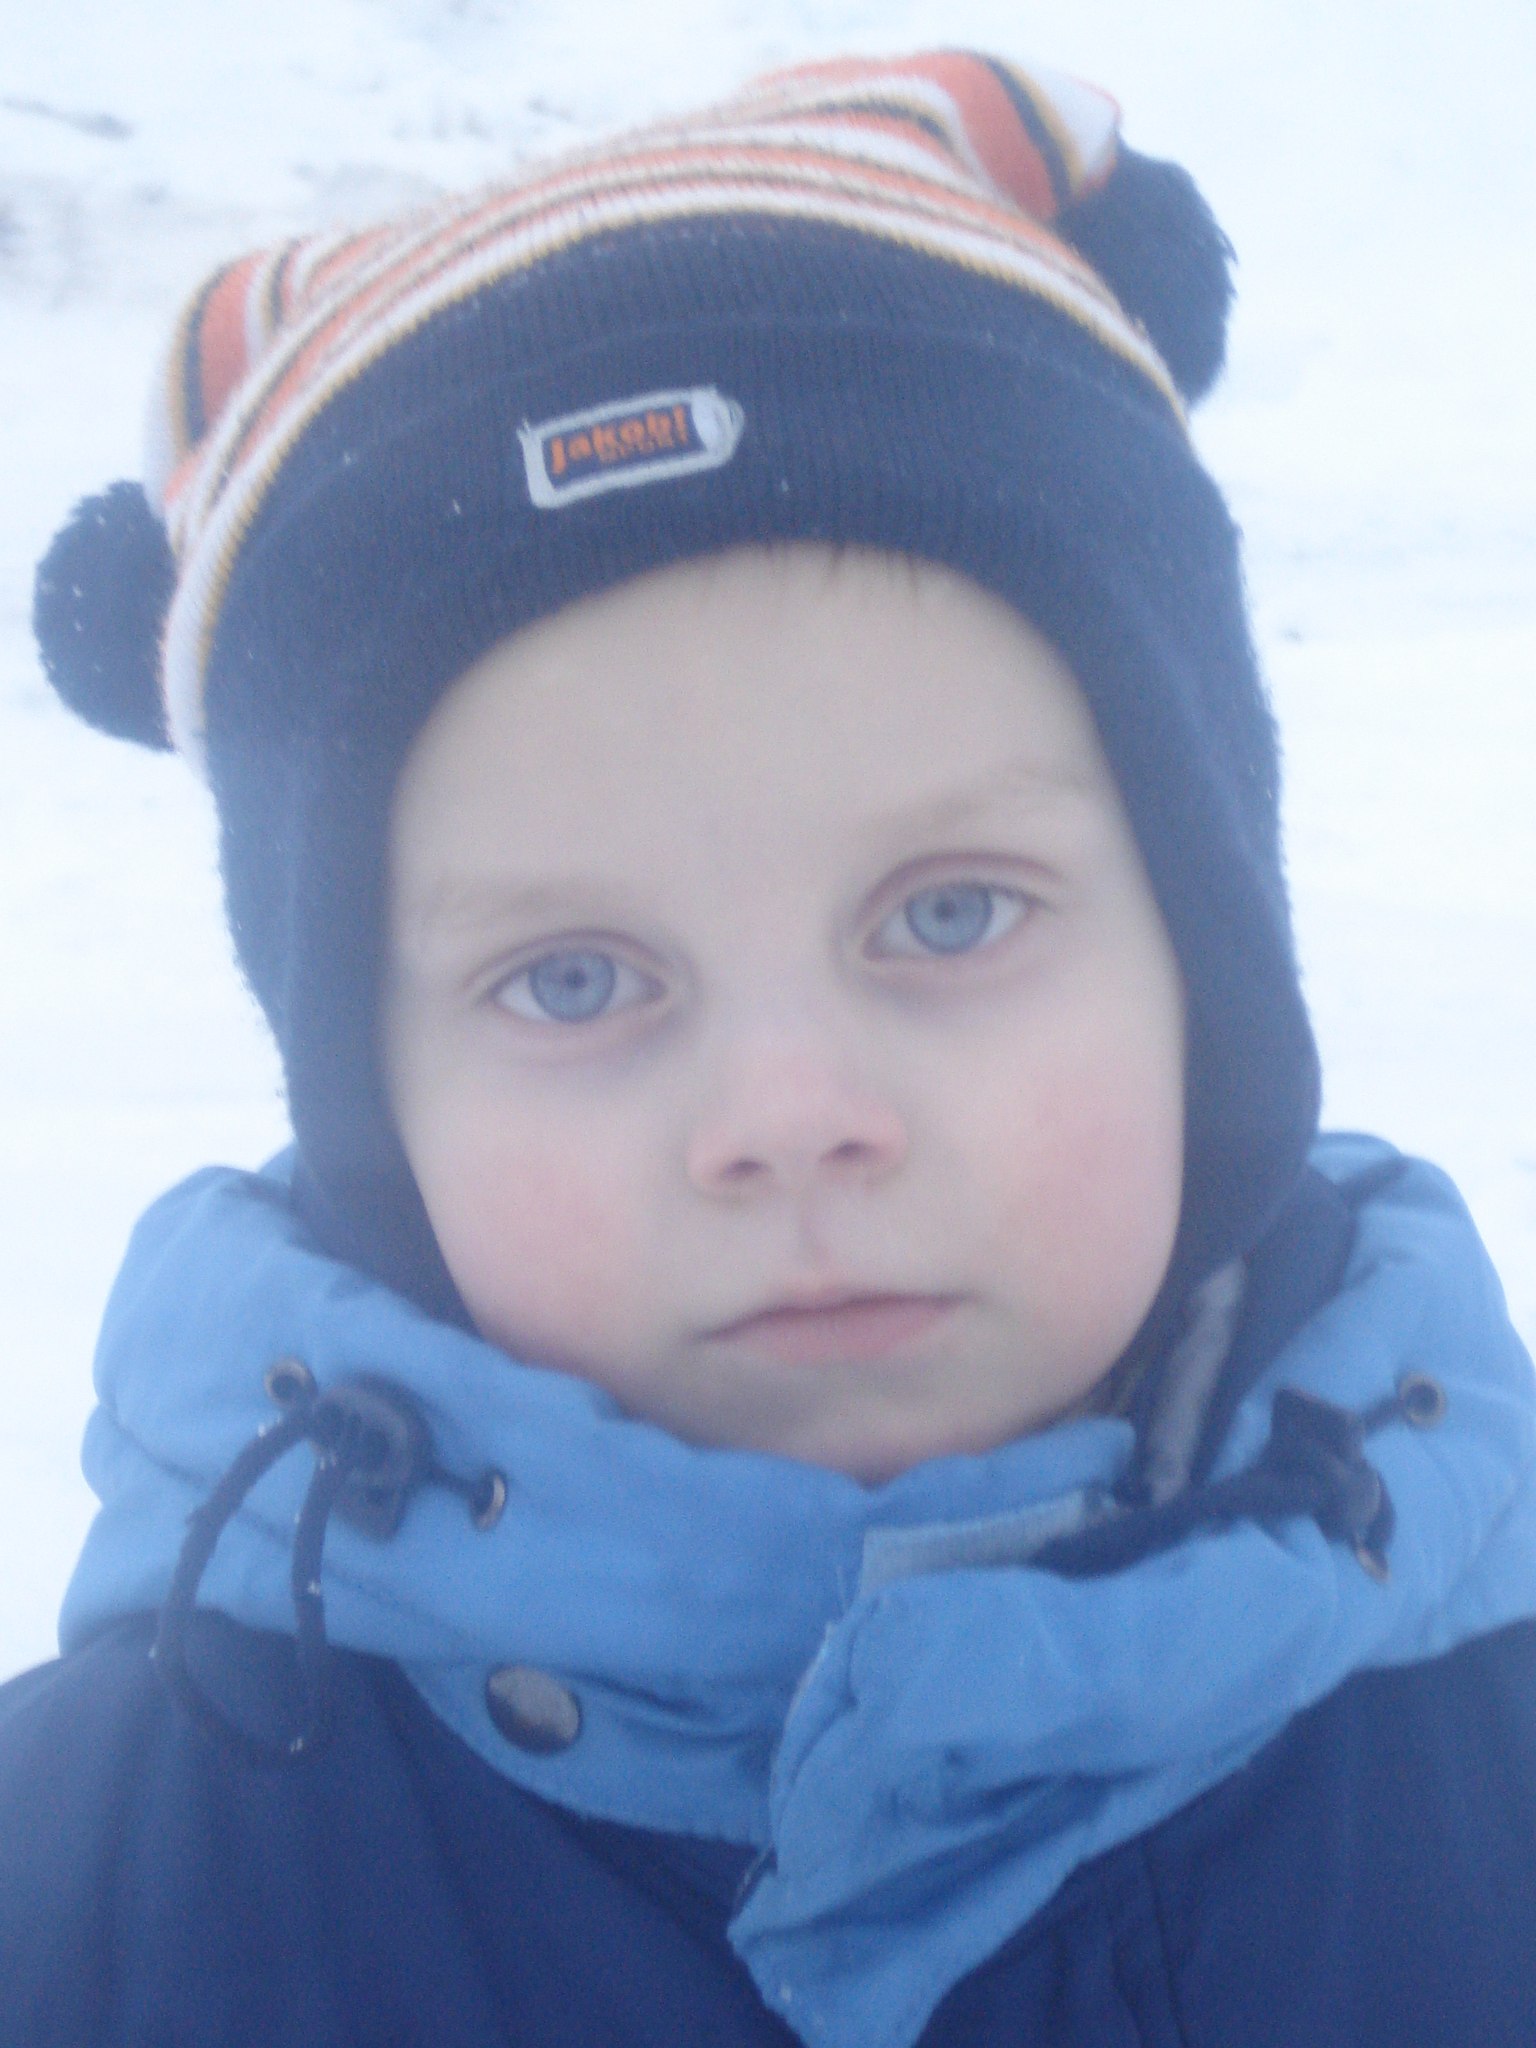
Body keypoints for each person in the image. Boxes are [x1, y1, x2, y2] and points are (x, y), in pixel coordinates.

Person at [6, 48, 1536, 2048]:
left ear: (1205, 970)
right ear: (377, 1113)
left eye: (952, 913)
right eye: (573, 980)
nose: (793, 1119)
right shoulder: (92, 1903)